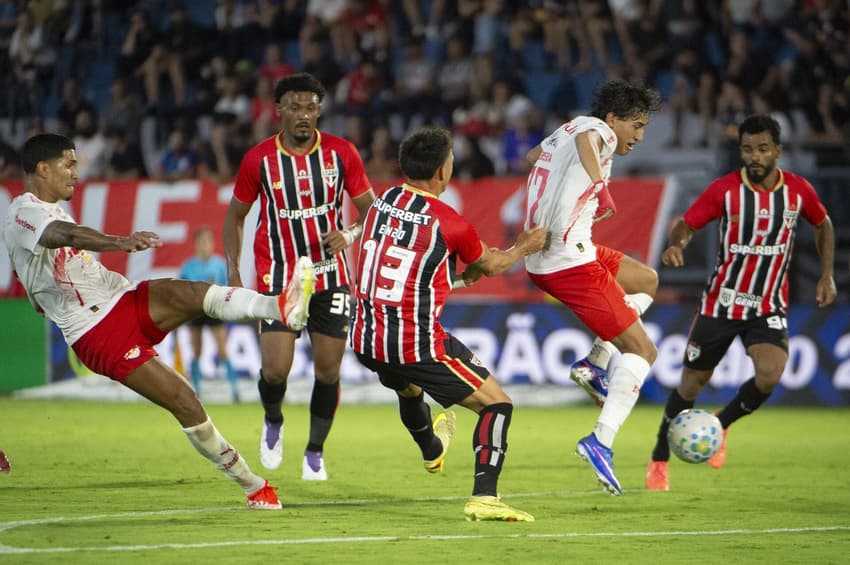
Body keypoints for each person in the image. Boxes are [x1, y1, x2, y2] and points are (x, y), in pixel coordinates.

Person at [4, 133, 317, 509]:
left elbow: (46, 256)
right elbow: (63, 235)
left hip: (121, 297)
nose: (75, 172)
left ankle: (280, 307)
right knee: (184, 399)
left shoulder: (48, 208)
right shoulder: (24, 211)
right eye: (68, 164)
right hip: (97, 332)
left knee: (192, 293)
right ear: (42, 168)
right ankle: (253, 486)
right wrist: (120, 242)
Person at [351, 127, 547, 521]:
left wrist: (454, 275)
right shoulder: (448, 221)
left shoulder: (382, 201)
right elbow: (492, 264)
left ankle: (431, 449)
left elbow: (405, 265)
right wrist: (524, 246)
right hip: (414, 342)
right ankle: (485, 497)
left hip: (365, 338)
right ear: (443, 170)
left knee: (408, 387)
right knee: (498, 405)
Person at [645, 114, 836, 491]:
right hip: (721, 304)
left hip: (767, 306)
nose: (755, 156)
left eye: (763, 149)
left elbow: (823, 223)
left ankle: (722, 423)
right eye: (748, 149)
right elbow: (687, 223)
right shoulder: (725, 190)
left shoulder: (797, 191)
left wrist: (826, 273)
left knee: (771, 374)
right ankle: (659, 458)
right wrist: (676, 244)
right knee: (690, 386)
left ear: (778, 151)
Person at [224, 72, 376, 481]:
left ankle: (315, 450)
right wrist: (234, 271)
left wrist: (348, 234)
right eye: (295, 106)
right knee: (275, 371)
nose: (304, 114)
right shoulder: (259, 159)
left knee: (328, 372)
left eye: (311, 106)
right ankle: (273, 419)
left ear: (319, 110)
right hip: (279, 276)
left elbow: (371, 211)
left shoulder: (342, 153)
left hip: (331, 278)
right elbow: (235, 216)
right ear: (279, 111)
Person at [523, 80, 662, 496]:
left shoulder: (563, 129)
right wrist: (599, 189)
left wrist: (563, 196)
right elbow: (589, 137)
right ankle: (600, 440)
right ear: (614, 119)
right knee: (643, 351)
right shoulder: (594, 130)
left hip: (565, 249)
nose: (639, 137)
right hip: (567, 260)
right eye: (635, 126)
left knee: (646, 280)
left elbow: (534, 156)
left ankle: (595, 361)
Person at [178, 226, 239, 402]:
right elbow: (182, 289)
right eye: (201, 242)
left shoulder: (219, 265)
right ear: (196, 245)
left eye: (207, 241)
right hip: (196, 311)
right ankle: (196, 390)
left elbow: (226, 289)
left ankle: (234, 390)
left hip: (214, 309)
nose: (205, 245)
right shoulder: (188, 266)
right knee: (196, 351)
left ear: (212, 244)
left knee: (222, 350)